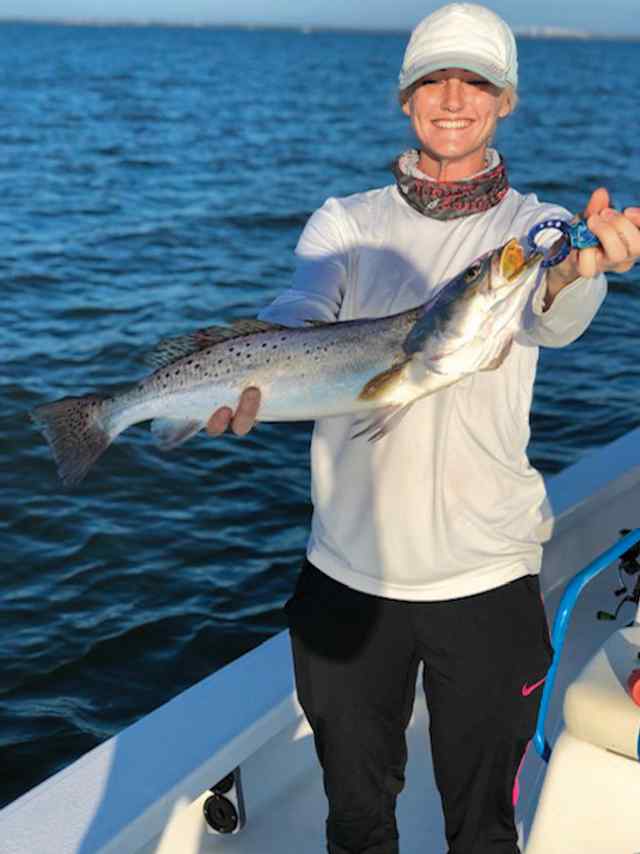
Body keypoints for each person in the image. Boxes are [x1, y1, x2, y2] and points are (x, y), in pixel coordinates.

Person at [208, 4, 640, 852]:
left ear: (506, 100)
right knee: (356, 822)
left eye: (475, 81)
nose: (452, 98)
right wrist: (246, 362)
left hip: (484, 578)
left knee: (483, 829)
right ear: (405, 98)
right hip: (346, 573)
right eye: (433, 79)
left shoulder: (531, 229)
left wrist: (585, 271)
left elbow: (555, 303)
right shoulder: (346, 220)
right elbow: (301, 306)